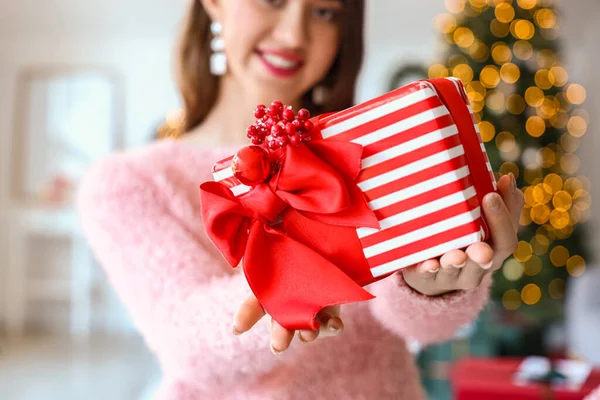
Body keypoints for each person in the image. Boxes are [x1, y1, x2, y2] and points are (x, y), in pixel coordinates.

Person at [76, 0, 524, 398]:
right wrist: (294, 280)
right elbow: (188, 349)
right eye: (272, 1)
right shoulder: (131, 182)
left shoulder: (370, 149)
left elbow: (426, 328)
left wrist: (437, 285)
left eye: (325, 11)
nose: (294, 34)